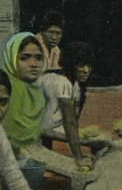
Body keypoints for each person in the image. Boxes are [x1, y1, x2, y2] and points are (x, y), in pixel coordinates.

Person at [39, 41, 96, 169]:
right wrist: (78, 158)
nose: (86, 71)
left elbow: (73, 118)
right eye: (81, 65)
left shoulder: (72, 84)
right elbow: (69, 121)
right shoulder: (61, 82)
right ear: (71, 64)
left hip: (46, 125)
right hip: (37, 129)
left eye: (89, 66)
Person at [0, 32, 46, 152]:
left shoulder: (36, 93)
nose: (34, 64)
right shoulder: (2, 90)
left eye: (38, 58)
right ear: (11, 59)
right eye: (24, 58)